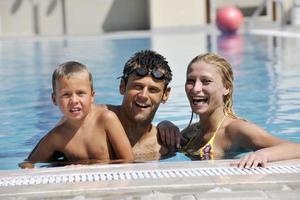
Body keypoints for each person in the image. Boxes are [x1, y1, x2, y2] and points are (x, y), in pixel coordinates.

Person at [157, 52, 300, 168]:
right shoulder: (192, 132)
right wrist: (164, 125)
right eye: (191, 80)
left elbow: (295, 148)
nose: (195, 88)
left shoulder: (236, 130)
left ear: (227, 88)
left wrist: (262, 155)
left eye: (206, 81)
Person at [20, 61, 133, 168]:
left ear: (92, 96)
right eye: (66, 95)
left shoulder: (106, 119)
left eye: (80, 93)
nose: (74, 100)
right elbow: (28, 163)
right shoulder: (57, 136)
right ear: (54, 99)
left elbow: (129, 161)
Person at [100, 50, 173, 161]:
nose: (143, 95)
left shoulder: (167, 144)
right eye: (137, 87)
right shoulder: (97, 121)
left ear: (165, 94)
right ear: (122, 86)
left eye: (153, 90)